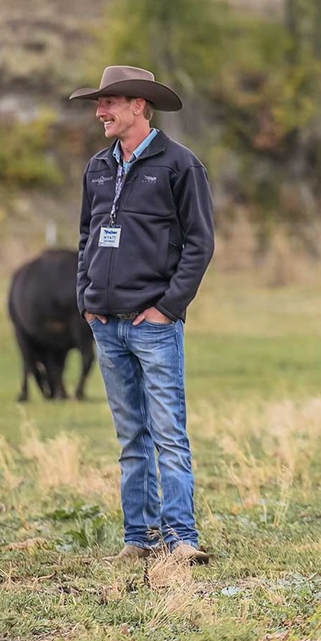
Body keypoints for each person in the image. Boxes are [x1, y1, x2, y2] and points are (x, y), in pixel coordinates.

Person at [70, 66, 215, 564]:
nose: (100, 111)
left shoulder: (180, 165)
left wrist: (167, 308)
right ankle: (139, 539)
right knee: (132, 437)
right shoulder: (97, 168)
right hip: (106, 325)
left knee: (168, 434)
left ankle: (181, 540)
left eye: (110, 102)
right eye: (100, 103)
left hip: (153, 326)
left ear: (139, 106)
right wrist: (86, 300)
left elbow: (200, 244)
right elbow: (87, 237)